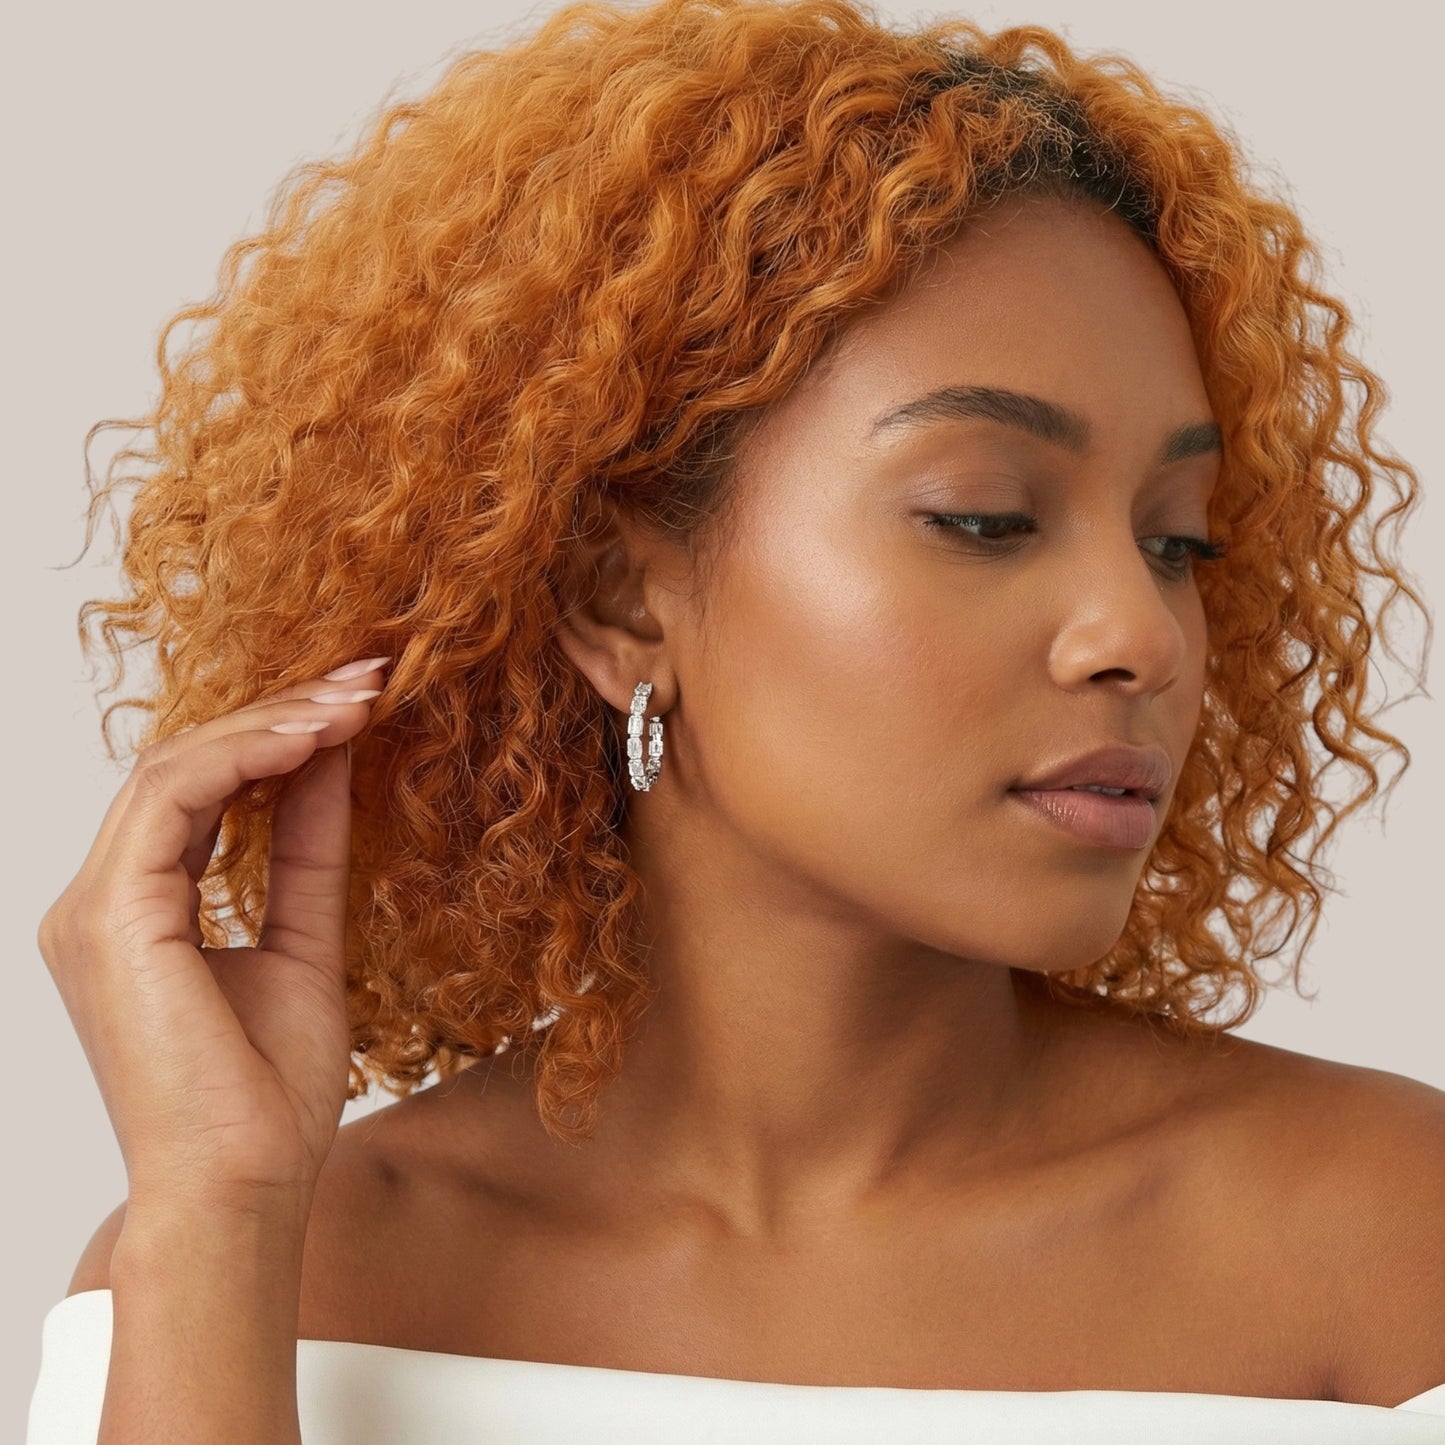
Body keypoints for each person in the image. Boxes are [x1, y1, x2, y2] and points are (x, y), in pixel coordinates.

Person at [26, 0, 1445, 1439]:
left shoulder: (1386, 1236)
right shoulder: (264, 1265)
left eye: (1175, 541)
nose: (1140, 635)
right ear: (618, 600)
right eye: (985, 517)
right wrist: (214, 1208)